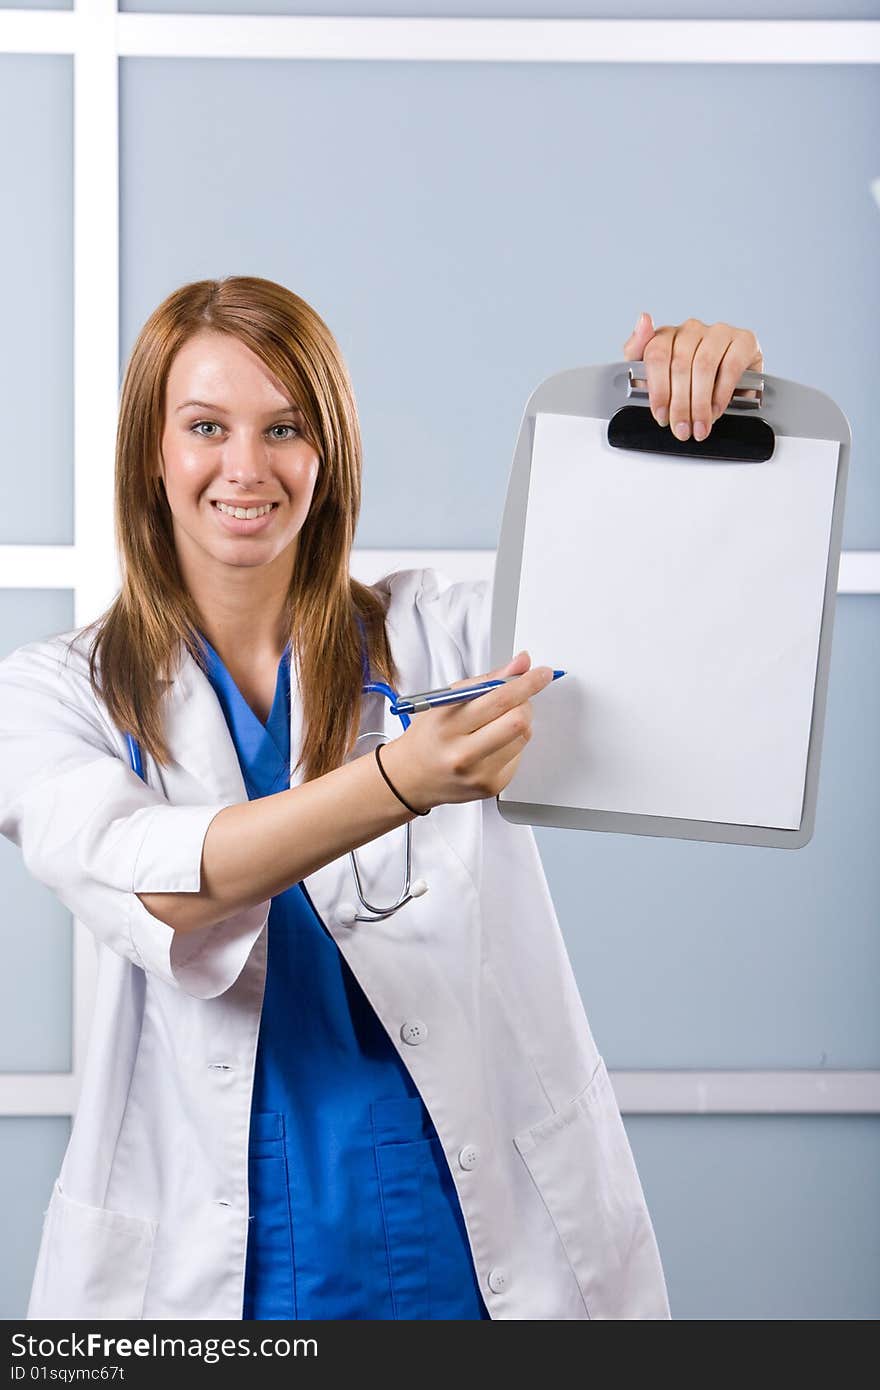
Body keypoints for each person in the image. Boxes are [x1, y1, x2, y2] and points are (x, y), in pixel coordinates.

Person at [0, 276, 762, 1320]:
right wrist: (400, 781)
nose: (246, 466)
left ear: (329, 454)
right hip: (216, 1278)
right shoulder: (53, 695)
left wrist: (682, 420)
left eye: (286, 427)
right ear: (151, 452)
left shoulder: (443, 641)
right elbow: (168, 887)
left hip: (462, 1257)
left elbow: (664, 614)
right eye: (206, 426)